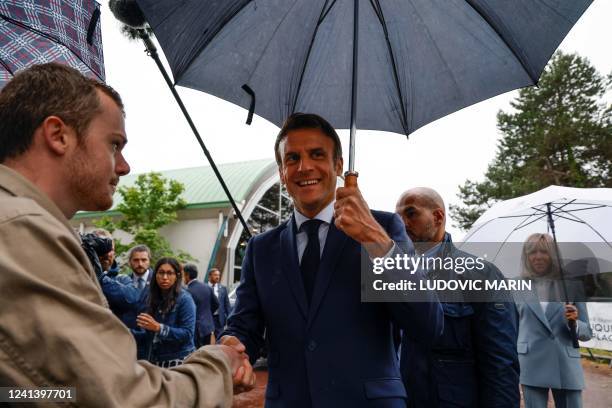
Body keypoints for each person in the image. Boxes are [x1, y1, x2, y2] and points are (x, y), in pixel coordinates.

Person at [0, 63, 253, 406]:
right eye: (114, 144)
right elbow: (119, 398)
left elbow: (37, 390)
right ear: (58, 135)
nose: (124, 166)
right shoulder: (22, 228)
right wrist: (219, 363)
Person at [221, 113, 443, 407]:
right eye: (292, 158)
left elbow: (428, 324)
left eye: (316, 154)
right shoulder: (261, 248)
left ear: (338, 165)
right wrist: (231, 343)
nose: (304, 167)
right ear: (282, 170)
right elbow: (244, 325)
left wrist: (375, 240)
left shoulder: (385, 227)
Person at [396, 187, 520, 407]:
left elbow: (500, 364)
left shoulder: (481, 273)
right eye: (398, 217)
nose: (402, 223)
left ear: (438, 216)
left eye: (411, 213)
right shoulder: (392, 273)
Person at [517, 233, 592, 408]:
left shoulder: (571, 286)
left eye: (544, 252)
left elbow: (587, 332)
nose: (538, 257)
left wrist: (574, 322)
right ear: (526, 256)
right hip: (531, 363)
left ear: (553, 255)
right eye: (532, 252)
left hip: (566, 365)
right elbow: (510, 329)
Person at [134, 258, 197, 367]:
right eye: (161, 272)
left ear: (177, 276)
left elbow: (187, 333)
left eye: (169, 273)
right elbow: (147, 333)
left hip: (179, 361)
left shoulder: (185, 299)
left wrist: (159, 328)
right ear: (155, 275)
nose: (164, 278)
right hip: (154, 359)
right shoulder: (150, 296)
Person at [185, 263, 219, 347]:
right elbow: (216, 304)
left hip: (195, 329)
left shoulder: (187, 291)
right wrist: (207, 314)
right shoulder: (207, 287)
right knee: (205, 353)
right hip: (207, 327)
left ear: (187, 275)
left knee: (196, 355)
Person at [208, 267, 231, 337]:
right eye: (215, 275)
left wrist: (229, 317)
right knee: (207, 339)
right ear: (210, 276)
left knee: (220, 338)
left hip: (219, 318)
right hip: (208, 317)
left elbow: (227, 304)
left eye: (218, 275)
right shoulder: (204, 287)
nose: (217, 277)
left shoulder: (223, 288)